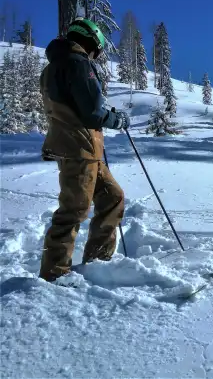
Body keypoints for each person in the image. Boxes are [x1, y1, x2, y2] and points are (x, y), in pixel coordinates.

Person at [38, 17, 130, 282]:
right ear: (91, 42)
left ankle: (98, 262)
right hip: (78, 149)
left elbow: (79, 106)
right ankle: (53, 277)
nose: (95, 55)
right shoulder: (78, 64)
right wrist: (116, 119)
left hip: (80, 149)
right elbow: (91, 112)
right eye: (96, 50)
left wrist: (104, 113)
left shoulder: (54, 66)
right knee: (73, 211)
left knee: (112, 197)